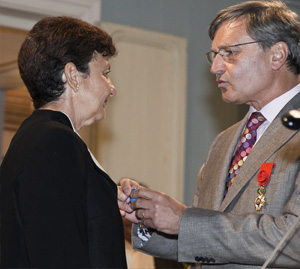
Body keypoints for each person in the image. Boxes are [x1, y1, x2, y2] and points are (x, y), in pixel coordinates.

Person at [118, 1, 300, 268]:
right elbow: (205, 243)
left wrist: (183, 219)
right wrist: (149, 219)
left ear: (277, 55)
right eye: (214, 55)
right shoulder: (224, 141)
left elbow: (293, 242)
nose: (215, 67)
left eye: (229, 53)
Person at [0, 16, 127, 268]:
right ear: (72, 75)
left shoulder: (36, 136)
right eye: (104, 73)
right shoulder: (55, 142)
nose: (112, 89)